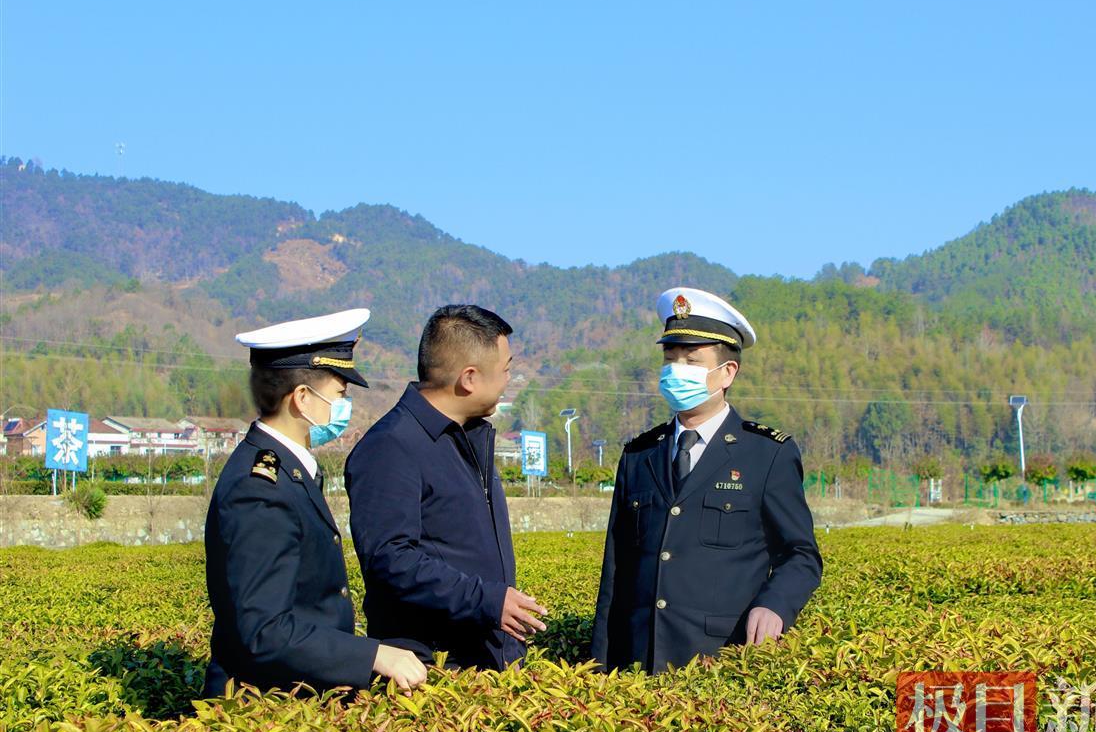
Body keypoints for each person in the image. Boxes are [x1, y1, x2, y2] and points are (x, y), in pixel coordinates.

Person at [590, 288, 823, 674]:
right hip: (637, 668)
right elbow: (615, 570)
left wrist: (775, 605)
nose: (676, 370)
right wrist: (598, 666)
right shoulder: (639, 455)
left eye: (692, 361)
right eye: (670, 359)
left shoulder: (766, 454)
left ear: (727, 372)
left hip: (718, 664)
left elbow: (800, 554)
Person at [203, 308, 427, 697]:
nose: (344, 405)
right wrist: (372, 655)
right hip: (263, 708)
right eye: (340, 394)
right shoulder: (259, 488)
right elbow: (264, 630)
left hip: (296, 694)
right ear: (303, 399)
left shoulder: (288, 469)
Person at [346, 304, 545, 671]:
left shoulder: (467, 438)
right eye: (506, 370)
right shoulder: (391, 446)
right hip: (433, 669)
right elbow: (390, 558)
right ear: (469, 378)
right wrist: (486, 600)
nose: (508, 380)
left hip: (487, 662)